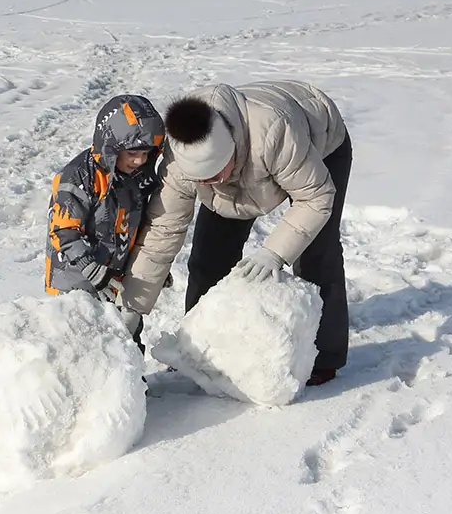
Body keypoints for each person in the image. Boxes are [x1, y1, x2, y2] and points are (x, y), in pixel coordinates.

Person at [121, 80, 352, 386]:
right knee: (208, 258)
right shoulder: (180, 161)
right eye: (202, 180)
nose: (211, 183)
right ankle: (199, 348)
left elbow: (316, 197)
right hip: (255, 162)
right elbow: (163, 229)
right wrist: (133, 305)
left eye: (216, 174)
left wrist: (274, 252)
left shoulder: (274, 133)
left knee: (317, 255)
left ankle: (323, 357)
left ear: (230, 150)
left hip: (319, 144)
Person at [43, 94, 165, 352]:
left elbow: (136, 227)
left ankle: (132, 386)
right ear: (111, 145)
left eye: (146, 154)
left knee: (126, 340)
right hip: (75, 281)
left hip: (115, 279)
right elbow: (64, 232)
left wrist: (152, 265)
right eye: (132, 152)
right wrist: (91, 269)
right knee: (82, 343)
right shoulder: (78, 177)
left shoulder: (136, 179)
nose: (140, 161)